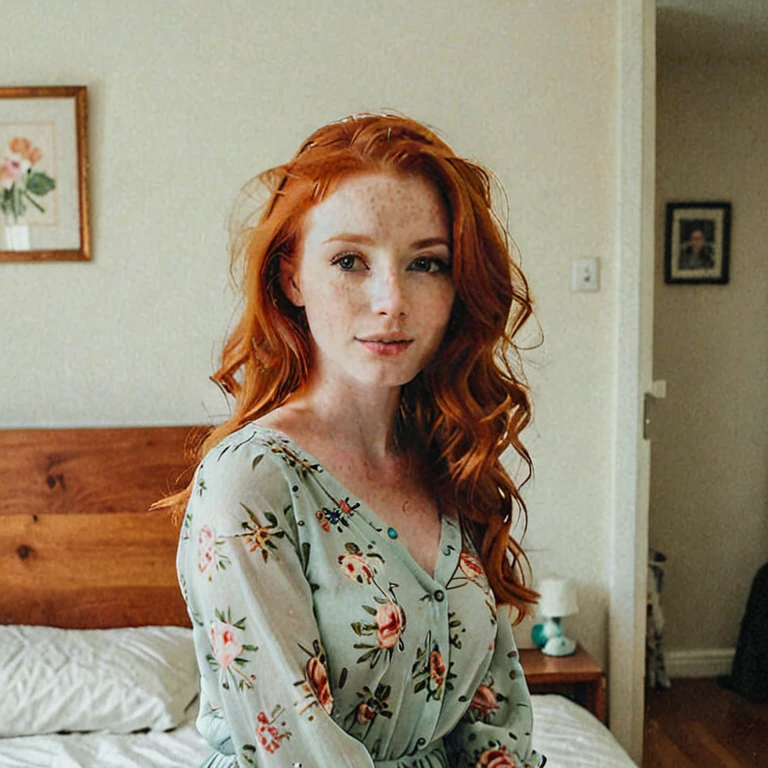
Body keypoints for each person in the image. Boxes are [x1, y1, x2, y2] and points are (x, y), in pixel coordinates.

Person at [161, 113, 546, 768]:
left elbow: (495, 718)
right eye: (349, 261)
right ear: (291, 278)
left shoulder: (447, 454)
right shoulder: (249, 483)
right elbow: (297, 751)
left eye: (426, 263)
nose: (391, 300)